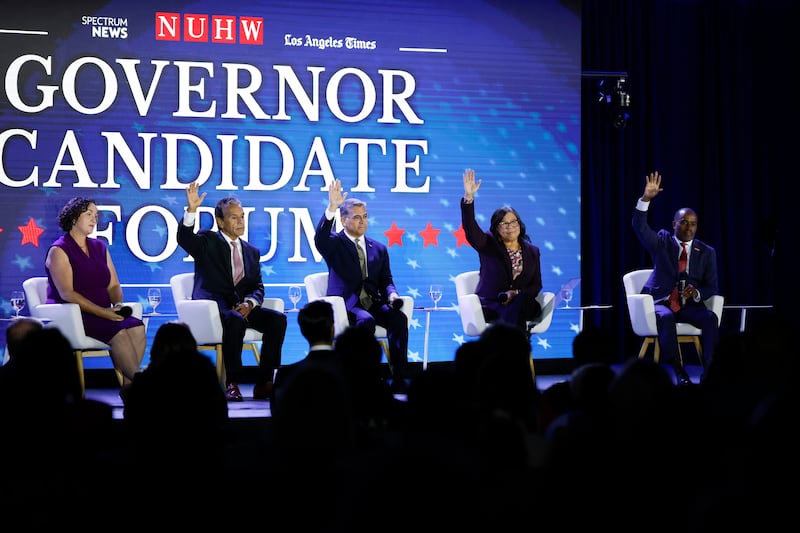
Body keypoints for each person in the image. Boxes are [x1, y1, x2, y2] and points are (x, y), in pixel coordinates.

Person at [177, 182, 288, 401]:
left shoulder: (251, 251)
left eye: (242, 216)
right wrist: (191, 210)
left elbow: (257, 286)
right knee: (236, 320)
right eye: (234, 217)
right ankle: (232, 382)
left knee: (278, 321)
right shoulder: (207, 241)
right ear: (220, 221)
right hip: (213, 308)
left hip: (240, 307)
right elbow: (184, 239)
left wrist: (250, 303)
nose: (240, 222)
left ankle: (264, 381)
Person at [314, 179, 410, 392]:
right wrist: (331, 207)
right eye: (356, 217)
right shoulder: (334, 243)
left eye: (365, 217)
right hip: (346, 304)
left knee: (398, 318)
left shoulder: (378, 248)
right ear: (343, 219)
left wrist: (392, 295)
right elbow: (320, 238)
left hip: (373, 301)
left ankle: (400, 376)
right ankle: (363, 377)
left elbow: (387, 280)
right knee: (365, 320)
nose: (362, 222)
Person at [44, 196, 146, 385]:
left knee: (137, 326)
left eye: (96, 215)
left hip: (103, 313)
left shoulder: (99, 247)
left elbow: (113, 285)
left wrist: (117, 306)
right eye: (89, 214)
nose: (94, 219)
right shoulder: (59, 250)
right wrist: (105, 313)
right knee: (120, 334)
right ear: (74, 218)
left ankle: (129, 387)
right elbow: (67, 293)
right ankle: (141, 383)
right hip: (74, 315)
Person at [632, 171, 719, 385]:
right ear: (674, 224)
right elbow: (640, 227)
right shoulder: (662, 242)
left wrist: (697, 292)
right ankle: (679, 370)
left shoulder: (706, 252)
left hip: (688, 305)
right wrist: (646, 200)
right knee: (667, 317)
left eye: (693, 223)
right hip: (661, 302)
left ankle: (709, 369)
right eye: (684, 222)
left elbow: (712, 286)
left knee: (710, 318)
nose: (689, 227)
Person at [461, 168, 543, 334]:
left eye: (514, 222)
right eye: (504, 224)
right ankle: (518, 349)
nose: (510, 227)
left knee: (521, 304)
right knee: (514, 315)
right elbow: (470, 229)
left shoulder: (533, 251)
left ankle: (510, 348)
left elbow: (536, 285)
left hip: (521, 304)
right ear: (496, 228)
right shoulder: (488, 244)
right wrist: (469, 198)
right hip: (492, 305)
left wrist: (516, 293)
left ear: (520, 224)